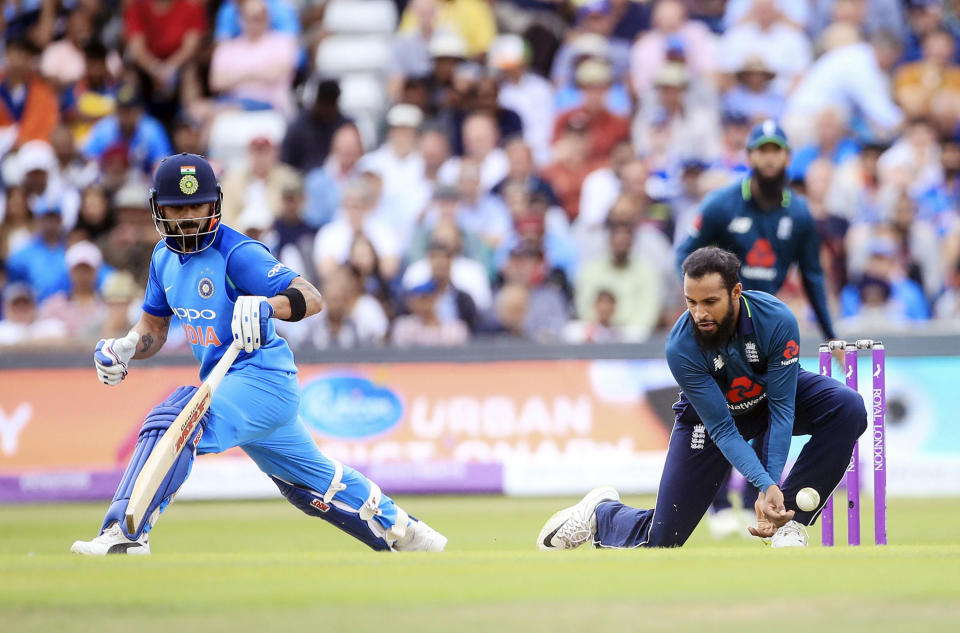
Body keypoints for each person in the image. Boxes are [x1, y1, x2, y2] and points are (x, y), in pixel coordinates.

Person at [70, 153, 447, 555]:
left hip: (262, 377)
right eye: (176, 209)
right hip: (233, 385)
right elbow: (154, 329)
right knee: (309, 486)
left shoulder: (236, 252)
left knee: (177, 418)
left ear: (214, 203)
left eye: (196, 205)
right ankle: (408, 534)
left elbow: (310, 297)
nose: (188, 218)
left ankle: (125, 534)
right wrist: (127, 346)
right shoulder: (163, 259)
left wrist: (268, 305)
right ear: (157, 209)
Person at [537, 247, 867, 550]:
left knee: (847, 407)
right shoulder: (681, 345)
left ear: (736, 292)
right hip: (712, 421)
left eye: (710, 302)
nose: (699, 313)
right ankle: (603, 514)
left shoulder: (775, 320)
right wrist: (766, 484)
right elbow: (724, 429)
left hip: (770, 400)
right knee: (663, 540)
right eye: (690, 302)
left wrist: (773, 494)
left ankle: (788, 523)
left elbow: (782, 410)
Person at [675, 120, 839, 534]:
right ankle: (716, 505)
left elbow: (814, 276)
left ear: (786, 157)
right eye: (760, 150)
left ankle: (757, 501)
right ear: (749, 158)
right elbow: (686, 256)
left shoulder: (798, 213)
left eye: (776, 150)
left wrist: (830, 332)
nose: (768, 157)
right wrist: (700, 306)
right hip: (718, 330)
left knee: (770, 409)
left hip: (767, 326)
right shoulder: (720, 205)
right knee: (718, 411)